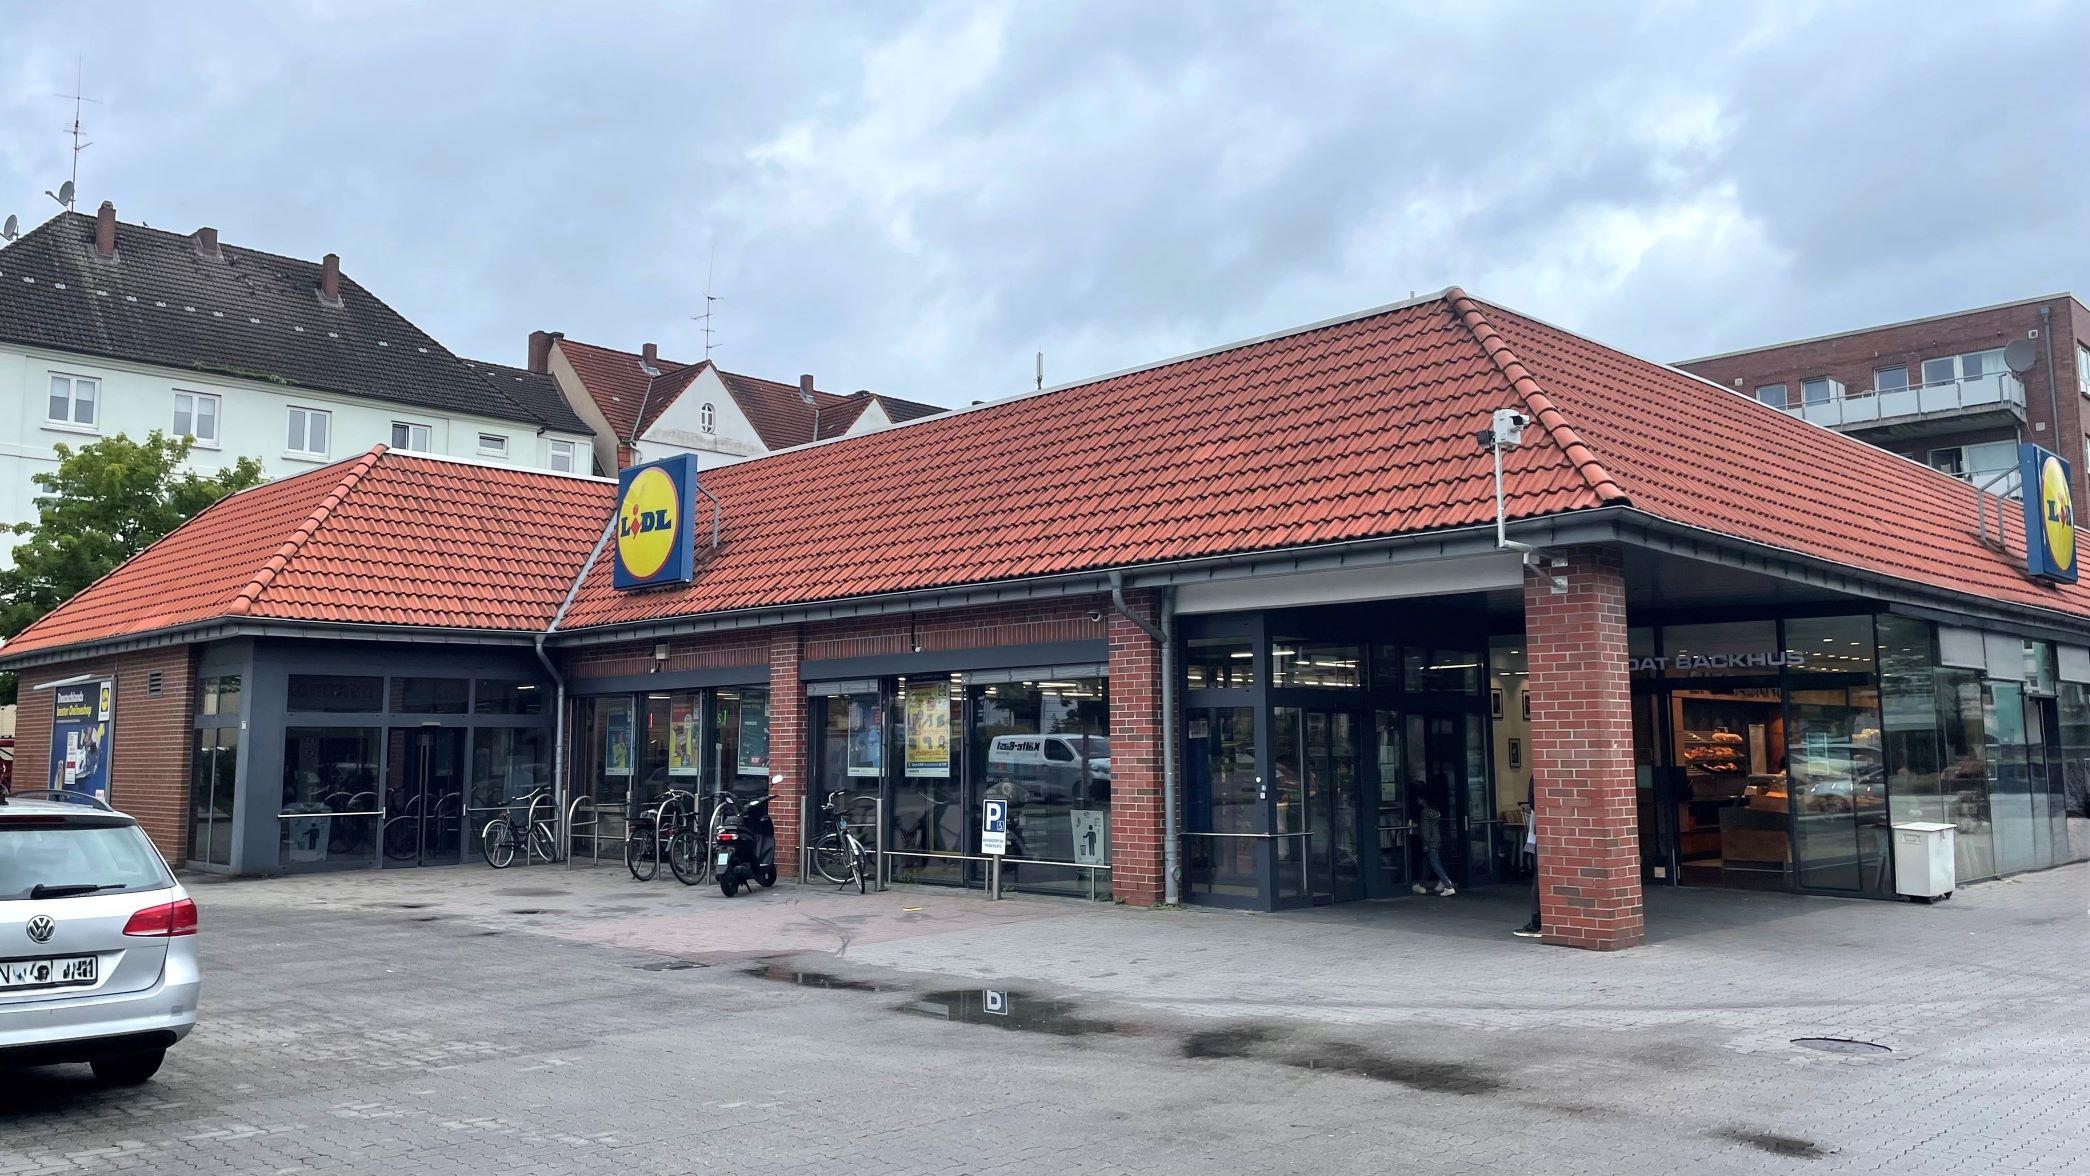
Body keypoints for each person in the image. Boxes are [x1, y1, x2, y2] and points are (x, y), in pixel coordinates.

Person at [1411, 783, 1456, 896]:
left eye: (1419, 798)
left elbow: (1426, 830)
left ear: (1422, 800)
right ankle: (1421, 884)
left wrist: (1425, 843)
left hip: (1430, 842)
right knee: (1426, 863)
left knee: (1435, 863)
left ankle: (1447, 885)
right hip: (1436, 839)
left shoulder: (1424, 812)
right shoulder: (1434, 812)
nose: (1417, 800)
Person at [1513, 776, 1542, 937]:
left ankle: (1537, 922)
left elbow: (1534, 806)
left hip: (1540, 832)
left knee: (1538, 879)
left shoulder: (1537, 776)